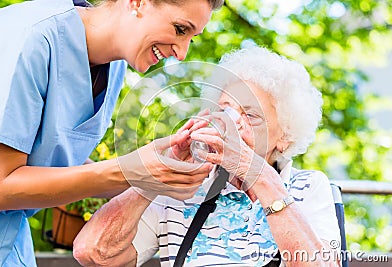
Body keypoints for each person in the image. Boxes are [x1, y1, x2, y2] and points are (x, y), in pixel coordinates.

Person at [0, 0, 224, 265]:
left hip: (8, 245)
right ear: (138, 3)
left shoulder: (114, 67)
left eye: (191, 40)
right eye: (180, 29)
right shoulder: (29, 37)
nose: (182, 53)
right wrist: (129, 170)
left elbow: (54, 164)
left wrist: (157, 176)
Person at [73, 46, 341, 267]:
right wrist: (158, 174)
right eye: (223, 109)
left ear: (285, 137)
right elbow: (92, 253)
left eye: (250, 115)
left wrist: (257, 174)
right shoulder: (181, 190)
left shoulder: (307, 188)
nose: (231, 123)